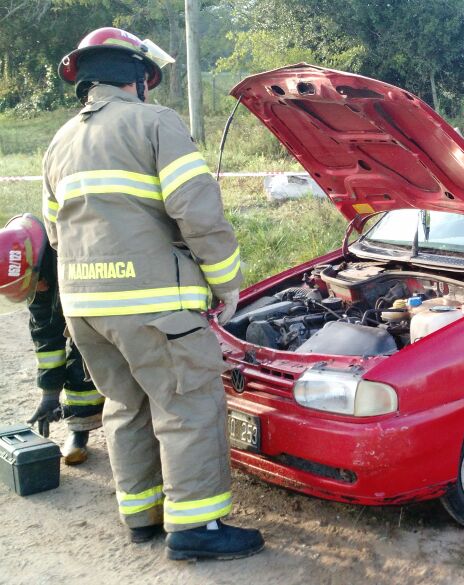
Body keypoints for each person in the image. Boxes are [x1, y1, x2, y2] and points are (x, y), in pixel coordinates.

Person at [43, 27, 262, 560]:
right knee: (188, 406)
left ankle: (142, 516)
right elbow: (198, 212)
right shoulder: (156, 122)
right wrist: (227, 283)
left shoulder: (59, 141)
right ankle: (197, 528)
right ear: (137, 77)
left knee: (126, 407)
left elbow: (55, 233)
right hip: (154, 307)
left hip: (85, 309)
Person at [0, 214, 105, 465]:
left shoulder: (75, 248)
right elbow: (47, 339)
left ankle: (99, 423)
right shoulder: (37, 276)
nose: (39, 289)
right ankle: (79, 427)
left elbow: (84, 342)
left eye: (36, 283)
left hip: (98, 298)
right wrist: (49, 394)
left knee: (87, 355)